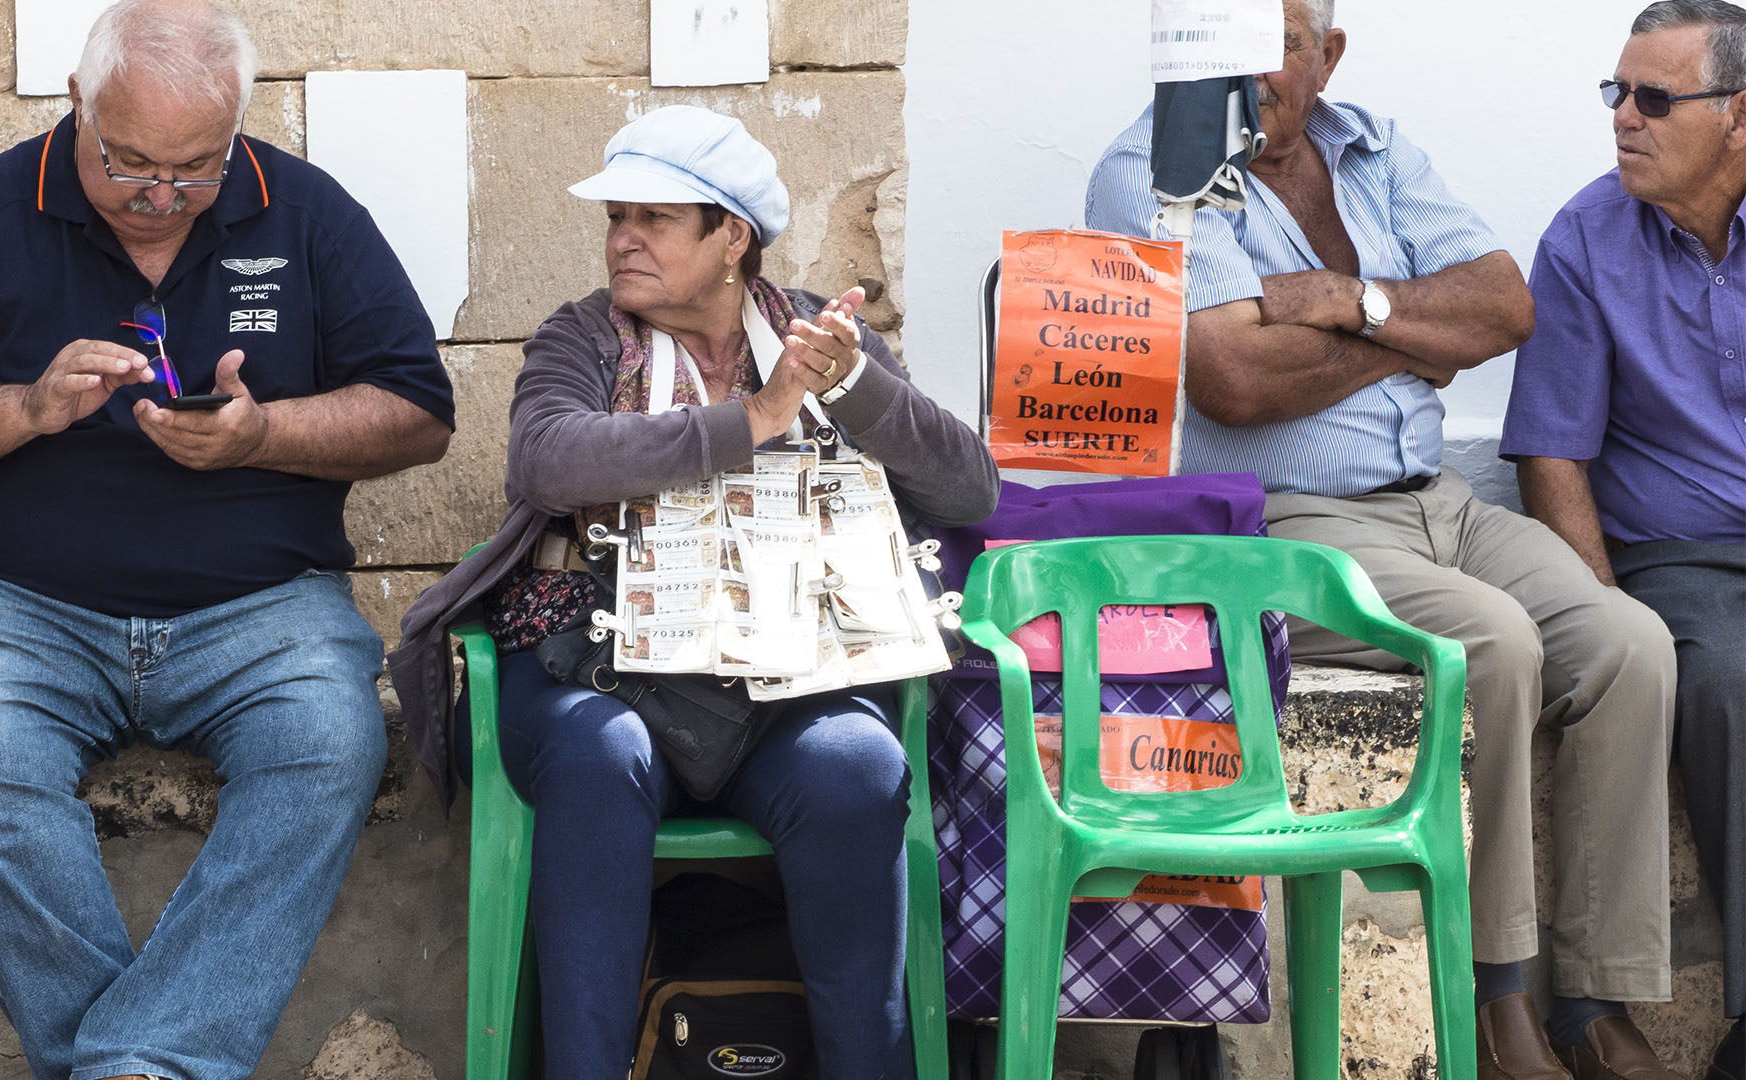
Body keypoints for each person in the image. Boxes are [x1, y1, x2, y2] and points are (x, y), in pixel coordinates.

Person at [0, 0, 454, 1077]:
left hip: (263, 613)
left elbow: (419, 412)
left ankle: (130, 1063)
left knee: (330, 747)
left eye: (196, 167)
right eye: (130, 163)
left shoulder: (305, 213)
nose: (161, 195)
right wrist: (23, 409)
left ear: (240, 131)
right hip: (23, 611)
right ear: (77, 104)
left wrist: (263, 436)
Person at [1087, 2, 1686, 1078]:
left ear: (1327, 56)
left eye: (1273, 44)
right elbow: (1231, 379)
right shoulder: (1150, 171)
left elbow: (1504, 307)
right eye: (1222, 44)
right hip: (1289, 522)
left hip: (1444, 504)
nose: (1245, 75)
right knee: (1493, 642)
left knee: (1629, 643)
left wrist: (1341, 305)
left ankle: (1594, 999)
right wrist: (1416, 338)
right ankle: (1496, 996)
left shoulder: (1376, 144)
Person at [390, 104, 997, 1078]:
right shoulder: (582, 340)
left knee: (856, 766)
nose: (622, 239)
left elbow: (970, 488)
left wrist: (853, 390)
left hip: (780, 687)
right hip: (596, 672)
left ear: (732, 240)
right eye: (615, 217)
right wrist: (752, 418)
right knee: (602, 755)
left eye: (655, 219)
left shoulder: (822, 341)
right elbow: (549, 461)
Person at [1502, 3, 1746, 1077]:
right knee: (1728, 679)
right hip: (1679, 556)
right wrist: (1606, 607)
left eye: (1654, 98)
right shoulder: (1585, 241)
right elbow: (1550, 454)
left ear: (1738, 116)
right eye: (1618, 94)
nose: (1624, 120)